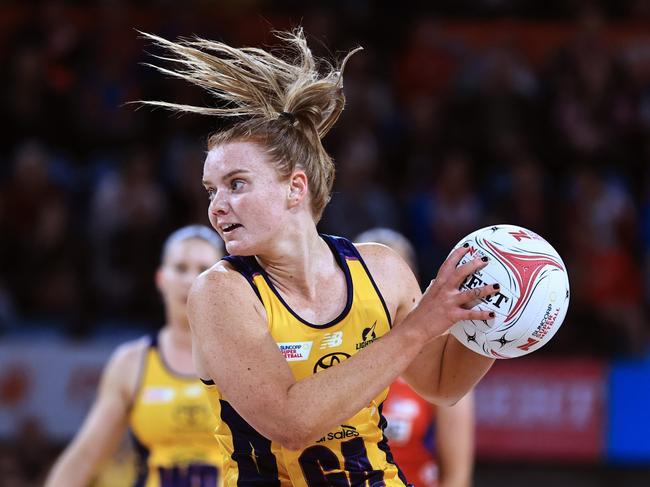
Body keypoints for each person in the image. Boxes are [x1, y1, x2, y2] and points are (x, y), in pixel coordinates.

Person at [140, 29, 498, 486]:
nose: (217, 206)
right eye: (211, 190)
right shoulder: (221, 291)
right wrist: (421, 326)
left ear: (295, 187)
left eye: (236, 184)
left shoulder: (382, 270)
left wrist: (501, 327)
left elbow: (444, 384)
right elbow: (292, 425)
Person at [45, 225, 225, 487]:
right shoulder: (131, 362)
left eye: (202, 269)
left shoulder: (248, 357)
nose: (190, 280)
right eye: (181, 268)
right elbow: (84, 457)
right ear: (161, 279)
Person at [356, 228, 475, 487]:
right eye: (369, 277)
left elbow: (456, 477)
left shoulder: (438, 359)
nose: (380, 290)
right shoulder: (332, 353)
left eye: (389, 278)